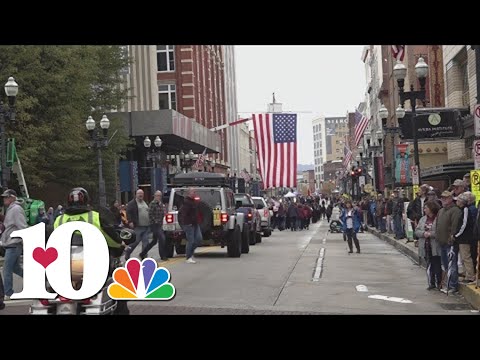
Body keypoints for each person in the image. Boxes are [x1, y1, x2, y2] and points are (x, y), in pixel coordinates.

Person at [53, 187, 133, 314]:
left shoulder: (59, 220)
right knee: (119, 281)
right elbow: (111, 238)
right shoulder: (94, 217)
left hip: (65, 265)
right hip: (92, 264)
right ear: (87, 201)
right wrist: (120, 244)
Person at [0, 189, 27, 300]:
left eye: (6, 197)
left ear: (13, 197)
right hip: (11, 243)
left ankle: (8, 293)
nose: (4, 199)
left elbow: (22, 226)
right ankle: (36, 279)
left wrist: (23, 240)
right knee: (15, 268)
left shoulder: (16, 209)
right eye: (4, 197)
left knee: (7, 269)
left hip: (14, 243)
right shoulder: (11, 209)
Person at [435, 191, 462, 294]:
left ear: (451, 199)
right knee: (446, 264)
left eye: (446, 198)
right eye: (442, 198)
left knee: (452, 264)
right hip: (441, 242)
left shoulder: (455, 210)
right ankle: (449, 283)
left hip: (449, 242)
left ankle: (453, 285)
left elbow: (455, 226)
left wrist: (452, 237)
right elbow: (438, 224)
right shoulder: (441, 210)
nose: (443, 200)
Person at [415, 200, 442, 290]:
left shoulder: (438, 218)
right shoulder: (423, 219)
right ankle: (431, 283)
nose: (424, 209)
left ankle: (439, 283)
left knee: (437, 265)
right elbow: (417, 231)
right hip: (425, 246)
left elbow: (441, 232)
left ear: (431, 208)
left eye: (426, 208)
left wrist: (431, 234)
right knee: (429, 265)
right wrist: (423, 233)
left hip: (435, 246)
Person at [453, 193, 476, 284]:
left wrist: (457, 234)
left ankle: (470, 275)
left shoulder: (465, 210)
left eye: (458, 201)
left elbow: (464, 224)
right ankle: (467, 274)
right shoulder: (462, 210)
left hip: (465, 238)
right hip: (462, 237)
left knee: (466, 257)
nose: (457, 202)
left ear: (462, 202)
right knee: (463, 257)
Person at [140, 191, 168, 261]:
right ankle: (163, 256)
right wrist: (155, 221)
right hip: (154, 225)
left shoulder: (161, 204)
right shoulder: (152, 204)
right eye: (157, 196)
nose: (159, 197)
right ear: (155, 196)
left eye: (160, 196)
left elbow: (163, 214)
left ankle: (143, 253)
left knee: (154, 241)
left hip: (160, 224)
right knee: (162, 238)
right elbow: (150, 214)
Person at [125, 189, 151, 260]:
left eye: (142, 194)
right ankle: (128, 252)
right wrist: (130, 221)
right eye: (139, 193)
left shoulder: (145, 203)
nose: (140, 195)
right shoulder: (132, 203)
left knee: (146, 242)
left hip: (146, 226)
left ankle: (144, 256)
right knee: (135, 242)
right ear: (136, 195)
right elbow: (128, 212)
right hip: (138, 226)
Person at [178, 188, 202, 263]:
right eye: (193, 192)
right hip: (188, 224)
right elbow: (183, 214)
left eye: (195, 192)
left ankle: (190, 253)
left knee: (199, 239)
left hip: (195, 223)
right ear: (189, 193)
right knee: (190, 240)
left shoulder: (194, 201)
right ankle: (188, 257)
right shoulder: (186, 202)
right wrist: (185, 224)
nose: (195, 193)